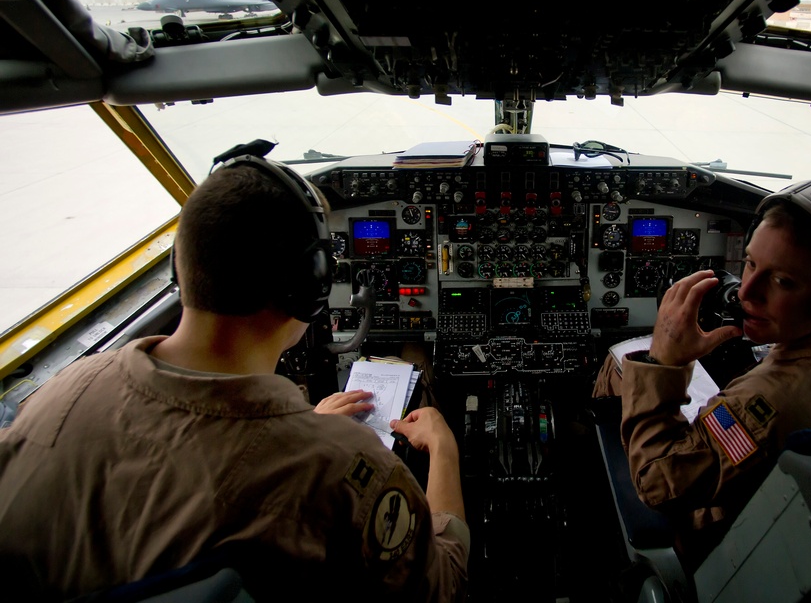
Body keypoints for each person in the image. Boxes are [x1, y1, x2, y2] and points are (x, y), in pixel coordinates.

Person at [0, 156, 468, 601]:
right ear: (311, 286)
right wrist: (445, 449)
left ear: (181, 269)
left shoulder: (61, 393)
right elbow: (440, 585)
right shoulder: (339, 466)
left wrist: (311, 425)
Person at [595, 180, 811, 567]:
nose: (747, 292)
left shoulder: (770, 403)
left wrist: (664, 361)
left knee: (624, 364)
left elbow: (657, 483)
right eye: (750, 263)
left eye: (783, 281)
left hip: (738, 543)